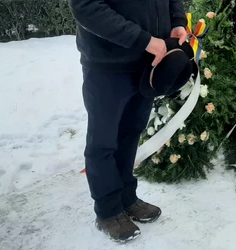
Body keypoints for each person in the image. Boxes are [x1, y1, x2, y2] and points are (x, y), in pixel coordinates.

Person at [68, 0, 188, 243]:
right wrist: (143, 39)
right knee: (104, 142)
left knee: (132, 131)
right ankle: (108, 210)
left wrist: (177, 22)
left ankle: (126, 198)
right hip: (107, 65)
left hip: (149, 61)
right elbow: (86, 6)